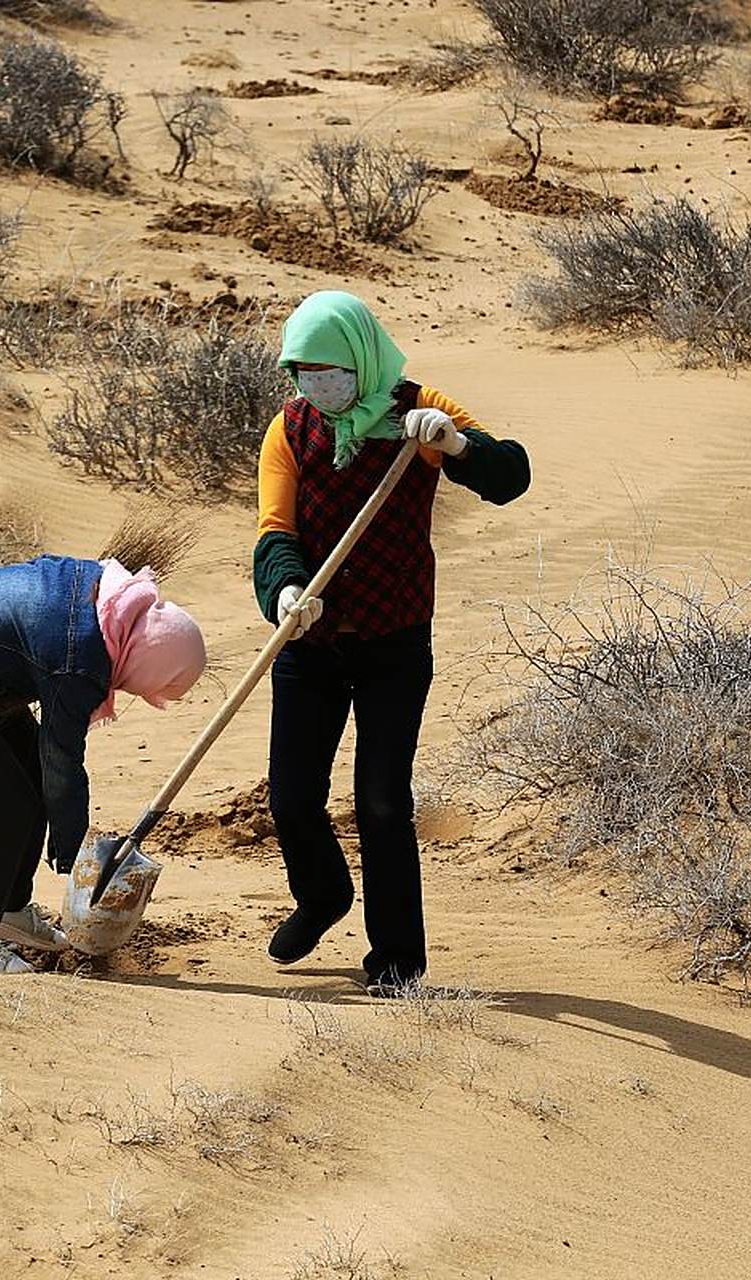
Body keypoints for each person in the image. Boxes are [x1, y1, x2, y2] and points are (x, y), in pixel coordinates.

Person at [253, 291, 530, 995]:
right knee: (291, 798)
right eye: (302, 372)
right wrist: (285, 591)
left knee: (381, 801)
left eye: (328, 370)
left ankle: (398, 960)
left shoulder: (418, 412)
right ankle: (322, 898)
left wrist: (455, 445)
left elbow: (509, 477)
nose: (316, 385)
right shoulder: (290, 430)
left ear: (358, 358)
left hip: (395, 640)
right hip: (311, 643)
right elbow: (274, 531)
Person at [0, 555, 207, 974]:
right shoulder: (79, 658)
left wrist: (66, 832)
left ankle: (10, 911)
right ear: (146, 661)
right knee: (10, 804)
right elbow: (62, 759)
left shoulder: (108, 601)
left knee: (29, 783)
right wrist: (76, 858)